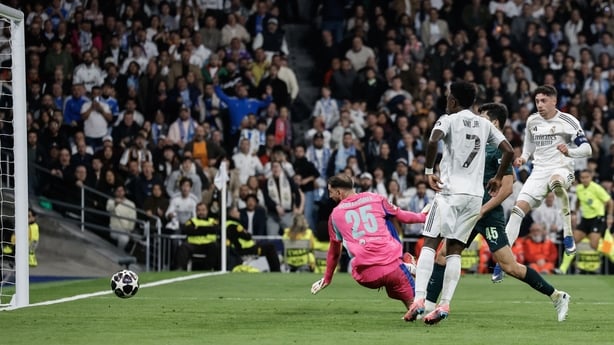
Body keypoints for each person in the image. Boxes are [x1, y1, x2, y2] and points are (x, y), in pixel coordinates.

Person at [423, 103, 571, 323]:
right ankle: (428, 308)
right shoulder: (477, 144)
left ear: (493, 123)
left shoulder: (499, 149)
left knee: (508, 266)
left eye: (482, 117)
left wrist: (483, 210)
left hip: (488, 215)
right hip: (469, 211)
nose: (477, 121)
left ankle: (557, 295)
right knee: (443, 256)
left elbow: (507, 188)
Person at [404, 82, 515, 324]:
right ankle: (444, 304)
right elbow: (509, 151)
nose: (446, 101)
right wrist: (497, 178)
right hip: (474, 198)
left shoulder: (448, 119)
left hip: (449, 193)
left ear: (454, 101)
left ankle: (419, 300)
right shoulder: (485, 124)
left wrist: (428, 170)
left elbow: (433, 141)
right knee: (454, 251)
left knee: (430, 244)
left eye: (448, 98)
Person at [502, 85, 592, 275]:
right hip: (538, 171)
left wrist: (570, 151)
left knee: (556, 182)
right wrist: (524, 158)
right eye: (537, 101)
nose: (539, 105)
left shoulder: (568, 121)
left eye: (543, 101)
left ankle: (568, 234)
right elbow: (528, 146)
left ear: (554, 101)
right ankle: (504, 259)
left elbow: (587, 149)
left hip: (562, 167)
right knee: (517, 210)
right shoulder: (532, 120)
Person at [310, 173, 428, 317]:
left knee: (411, 308)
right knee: (388, 218)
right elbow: (402, 215)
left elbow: (334, 252)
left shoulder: (335, 215)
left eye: (331, 192)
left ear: (339, 192)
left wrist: (327, 278)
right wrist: (423, 217)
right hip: (393, 267)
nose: (330, 196)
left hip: (366, 275)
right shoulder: (376, 198)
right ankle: (405, 265)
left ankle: (408, 291)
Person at [558, 169, 614, 274]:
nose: (584, 180)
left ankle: (609, 249)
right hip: (585, 219)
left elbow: (610, 202)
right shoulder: (579, 189)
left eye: (586, 177)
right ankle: (562, 269)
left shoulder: (597, 188)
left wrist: (610, 216)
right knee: (572, 241)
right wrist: (575, 211)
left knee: (595, 245)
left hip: (597, 219)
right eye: (582, 178)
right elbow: (579, 199)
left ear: (591, 177)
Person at [174, 202, 220, 271]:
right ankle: (180, 269)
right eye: (199, 210)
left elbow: (215, 229)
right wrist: (206, 229)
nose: (201, 212)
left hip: (208, 244)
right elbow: (187, 230)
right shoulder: (191, 221)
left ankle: (208, 269)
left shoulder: (213, 221)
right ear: (196, 211)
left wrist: (198, 229)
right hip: (193, 244)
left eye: (203, 210)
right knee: (183, 246)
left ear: (207, 211)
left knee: (215, 247)